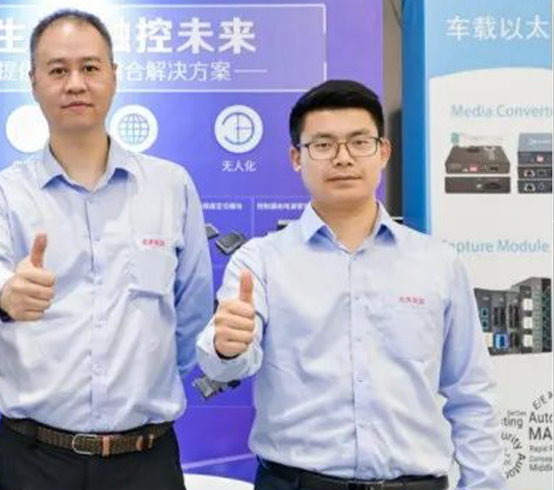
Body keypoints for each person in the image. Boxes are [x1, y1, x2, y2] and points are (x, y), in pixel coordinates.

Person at [196, 80, 505, 490]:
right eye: (323, 145)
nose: (343, 158)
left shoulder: (438, 263)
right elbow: (224, 364)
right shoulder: (260, 261)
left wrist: (485, 484)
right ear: (296, 157)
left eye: (359, 142)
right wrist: (226, 346)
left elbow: (471, 392)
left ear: (383, 151)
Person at [0, 9, 213, 490]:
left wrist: (147, 381)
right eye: (58, 70)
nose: (75, 83)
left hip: (146, 461)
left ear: (114, 76)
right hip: (32, 462)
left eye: (89, 67)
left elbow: (192, 311)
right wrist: (7, 293)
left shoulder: (170, 186)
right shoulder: (1, 194)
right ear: (33, 83)